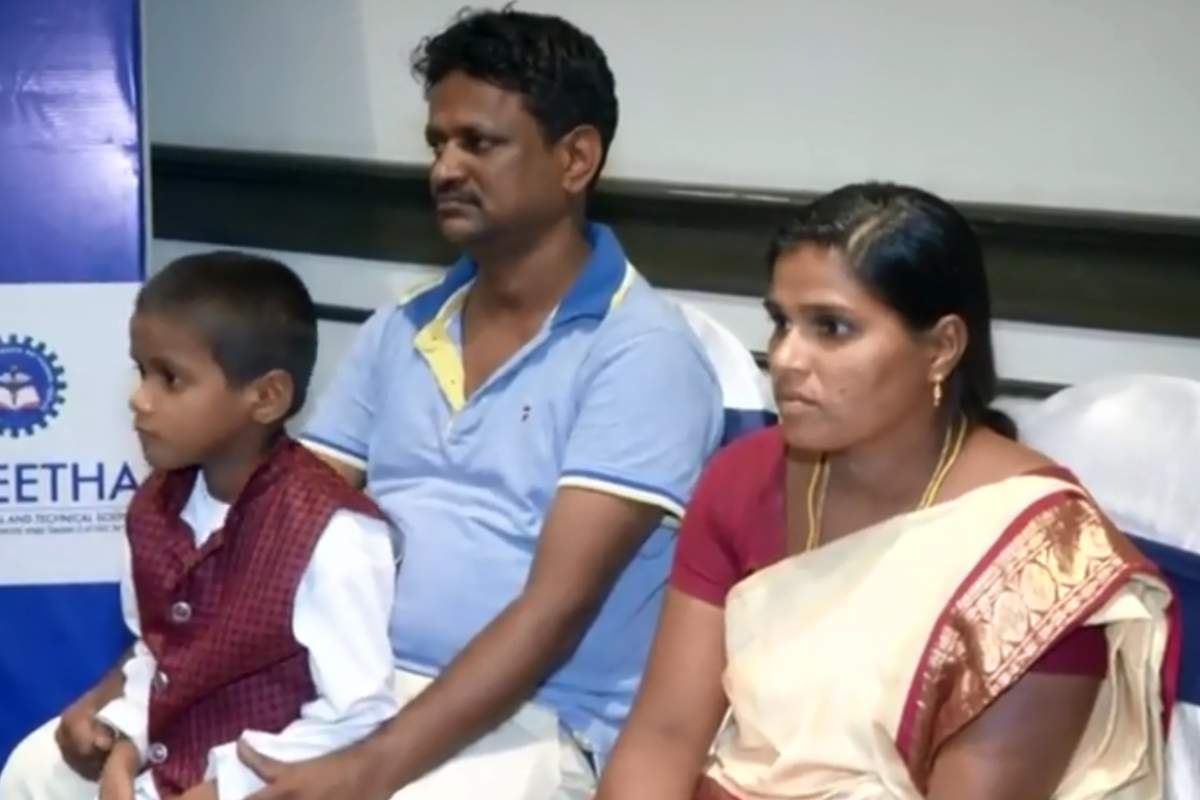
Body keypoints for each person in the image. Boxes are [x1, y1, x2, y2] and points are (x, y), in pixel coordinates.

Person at [0, 8, 726, 800]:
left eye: (479, 143)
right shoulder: (401, 329)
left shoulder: (642, 352)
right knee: (43, 770)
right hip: (341, 682)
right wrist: (125, 693)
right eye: (437, 144)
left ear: (575, 157)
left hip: (531, 722)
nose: (445, 168)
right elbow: (264, 532)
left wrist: (364, 773)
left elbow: (554, 612)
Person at [596, 183, 1178, 800]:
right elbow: (664, 735)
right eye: (781, 323)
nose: (787, 358)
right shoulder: (743, 479)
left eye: (832, 328)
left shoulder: (1040, 562)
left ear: (942, 348)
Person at [61, 252, 396, 800]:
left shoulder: (334, 532)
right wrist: (126, 747)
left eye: (170, 379)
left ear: (266, 397)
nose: (139, 399)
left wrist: (228, 786)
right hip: (168, 769)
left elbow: (356, 715)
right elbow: (158, 655)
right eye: (141, 371)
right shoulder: (153, 507)